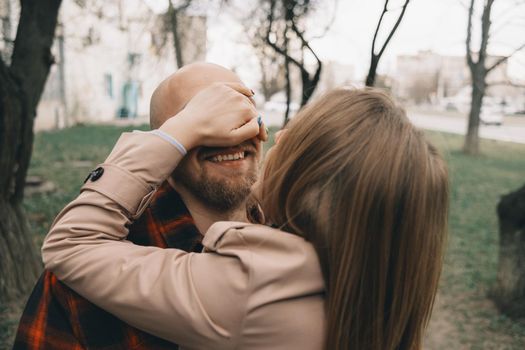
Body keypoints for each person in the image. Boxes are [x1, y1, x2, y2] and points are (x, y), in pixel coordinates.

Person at [41, 85, 449, 350]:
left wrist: (177, 130)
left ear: (311, 183)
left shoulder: (257, 282)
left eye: (296, 136)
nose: (272, 135)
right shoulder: (377, 275)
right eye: (208, 121)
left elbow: (71, 244)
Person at [13, 63, 266, 350]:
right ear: (166, 145)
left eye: (240, 112)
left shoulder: (297, 230)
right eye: (203, 119)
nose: (229, 134)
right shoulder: (87, 273)